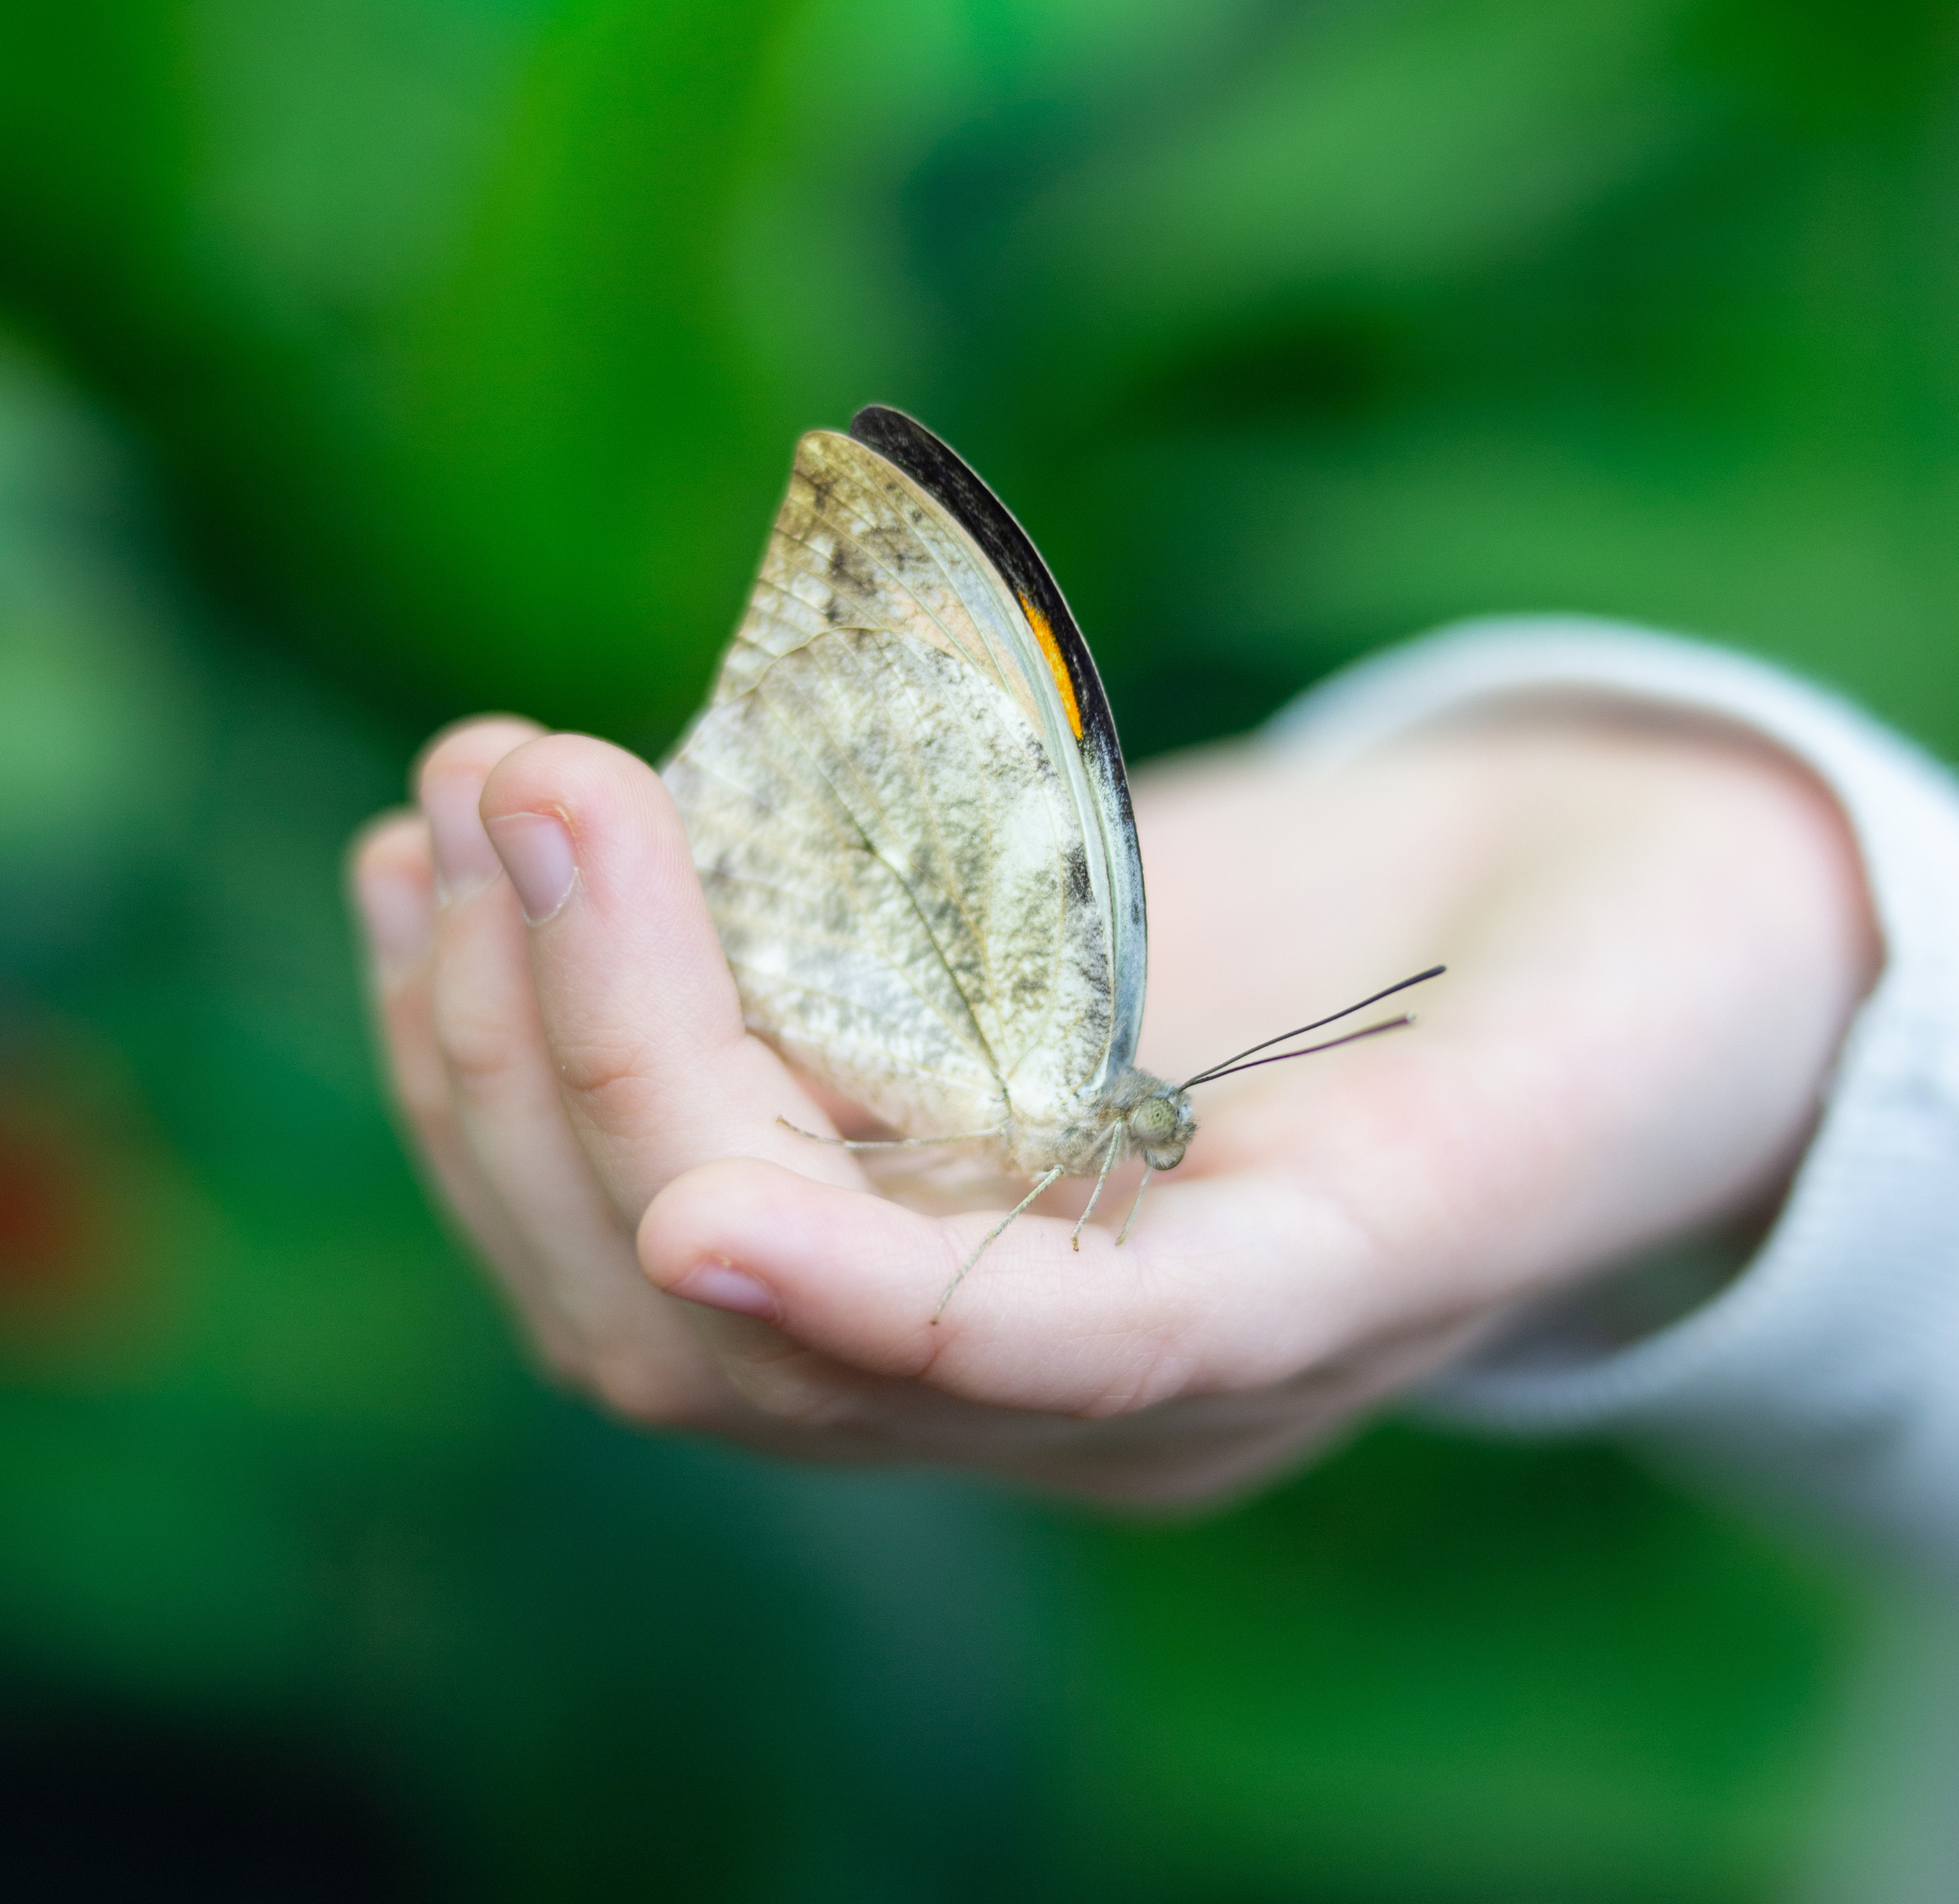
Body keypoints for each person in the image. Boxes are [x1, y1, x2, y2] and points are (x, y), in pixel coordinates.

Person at [349, 616, 1959, 1551]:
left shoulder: (1105, 1114)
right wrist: (1811, 955)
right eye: (1159, 1126)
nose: (1164, 1132)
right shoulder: (1084, 1070)